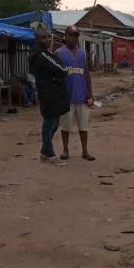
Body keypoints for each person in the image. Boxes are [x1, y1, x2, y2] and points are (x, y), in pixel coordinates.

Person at [29, 28, 69, 165]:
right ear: (37, 40)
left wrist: (58, 74)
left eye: (48, 37)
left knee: (54, 122)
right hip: (48, 93)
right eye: (43, 37)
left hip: (52, 92)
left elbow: (58, 69)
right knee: (49, 123)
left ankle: (44, 152)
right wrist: (60, 73)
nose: (47, 39)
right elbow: (62, 70)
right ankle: (50, 155)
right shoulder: (41, 55)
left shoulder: (46, 53)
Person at [56, 26, 95, 161]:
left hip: (82, 97)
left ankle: (85, 151)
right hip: (66, 98)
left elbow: (87, 74)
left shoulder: (83, 54)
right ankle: (65, 150)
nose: (74, 38)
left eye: (76, 36)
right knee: (65, 126)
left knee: (83, 126)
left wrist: (90, 94)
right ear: (65, 36)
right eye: (71, 35)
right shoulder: (59, 53)